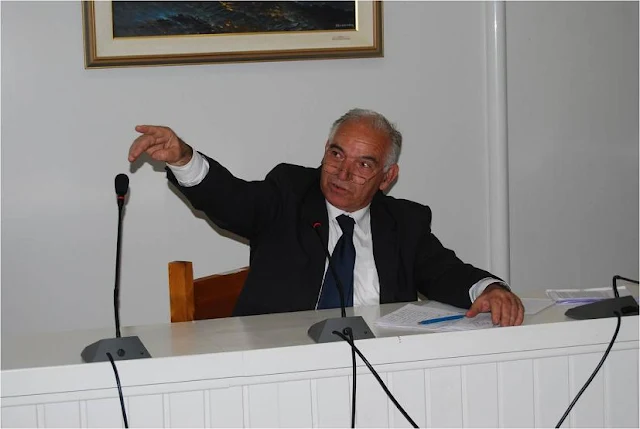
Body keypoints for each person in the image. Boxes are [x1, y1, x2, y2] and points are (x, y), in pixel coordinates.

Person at [128, 108, 524, 326]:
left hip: (380, 372)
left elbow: (448, 272)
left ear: (387, 178)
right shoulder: (287, 195)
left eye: (363, 164)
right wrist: (183, 158)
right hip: (284, 370)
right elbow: (231, 200)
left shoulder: (405, 223)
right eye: (336, 155)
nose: (342, 173)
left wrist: (490, 289)